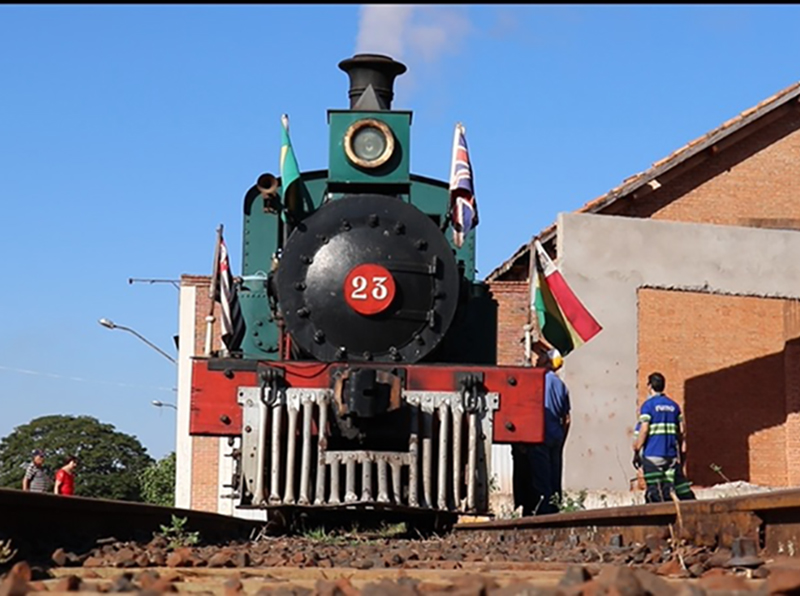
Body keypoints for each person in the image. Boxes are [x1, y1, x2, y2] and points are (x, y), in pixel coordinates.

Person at [515, 345, 571, 515]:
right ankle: (555, 509)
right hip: (557, 436)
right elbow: (567, 418)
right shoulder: (561, 385)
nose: (536, 359)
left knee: (541, 479)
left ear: (547, 361)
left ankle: (544, 513)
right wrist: (562, 440)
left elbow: (529, 410)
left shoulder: (537, 381)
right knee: (555, 476)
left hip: (539, 436)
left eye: (540, 357)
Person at [632, 372, 696, 503]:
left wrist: (637, 449)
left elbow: (644, 429)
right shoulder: (674, 406)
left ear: (650, 386)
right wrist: (681, 454)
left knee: (655, 492)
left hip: (653, 455)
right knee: (670, 489)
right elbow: (682, 431)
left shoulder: (648, 406)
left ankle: (659, 520)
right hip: (671, 455)